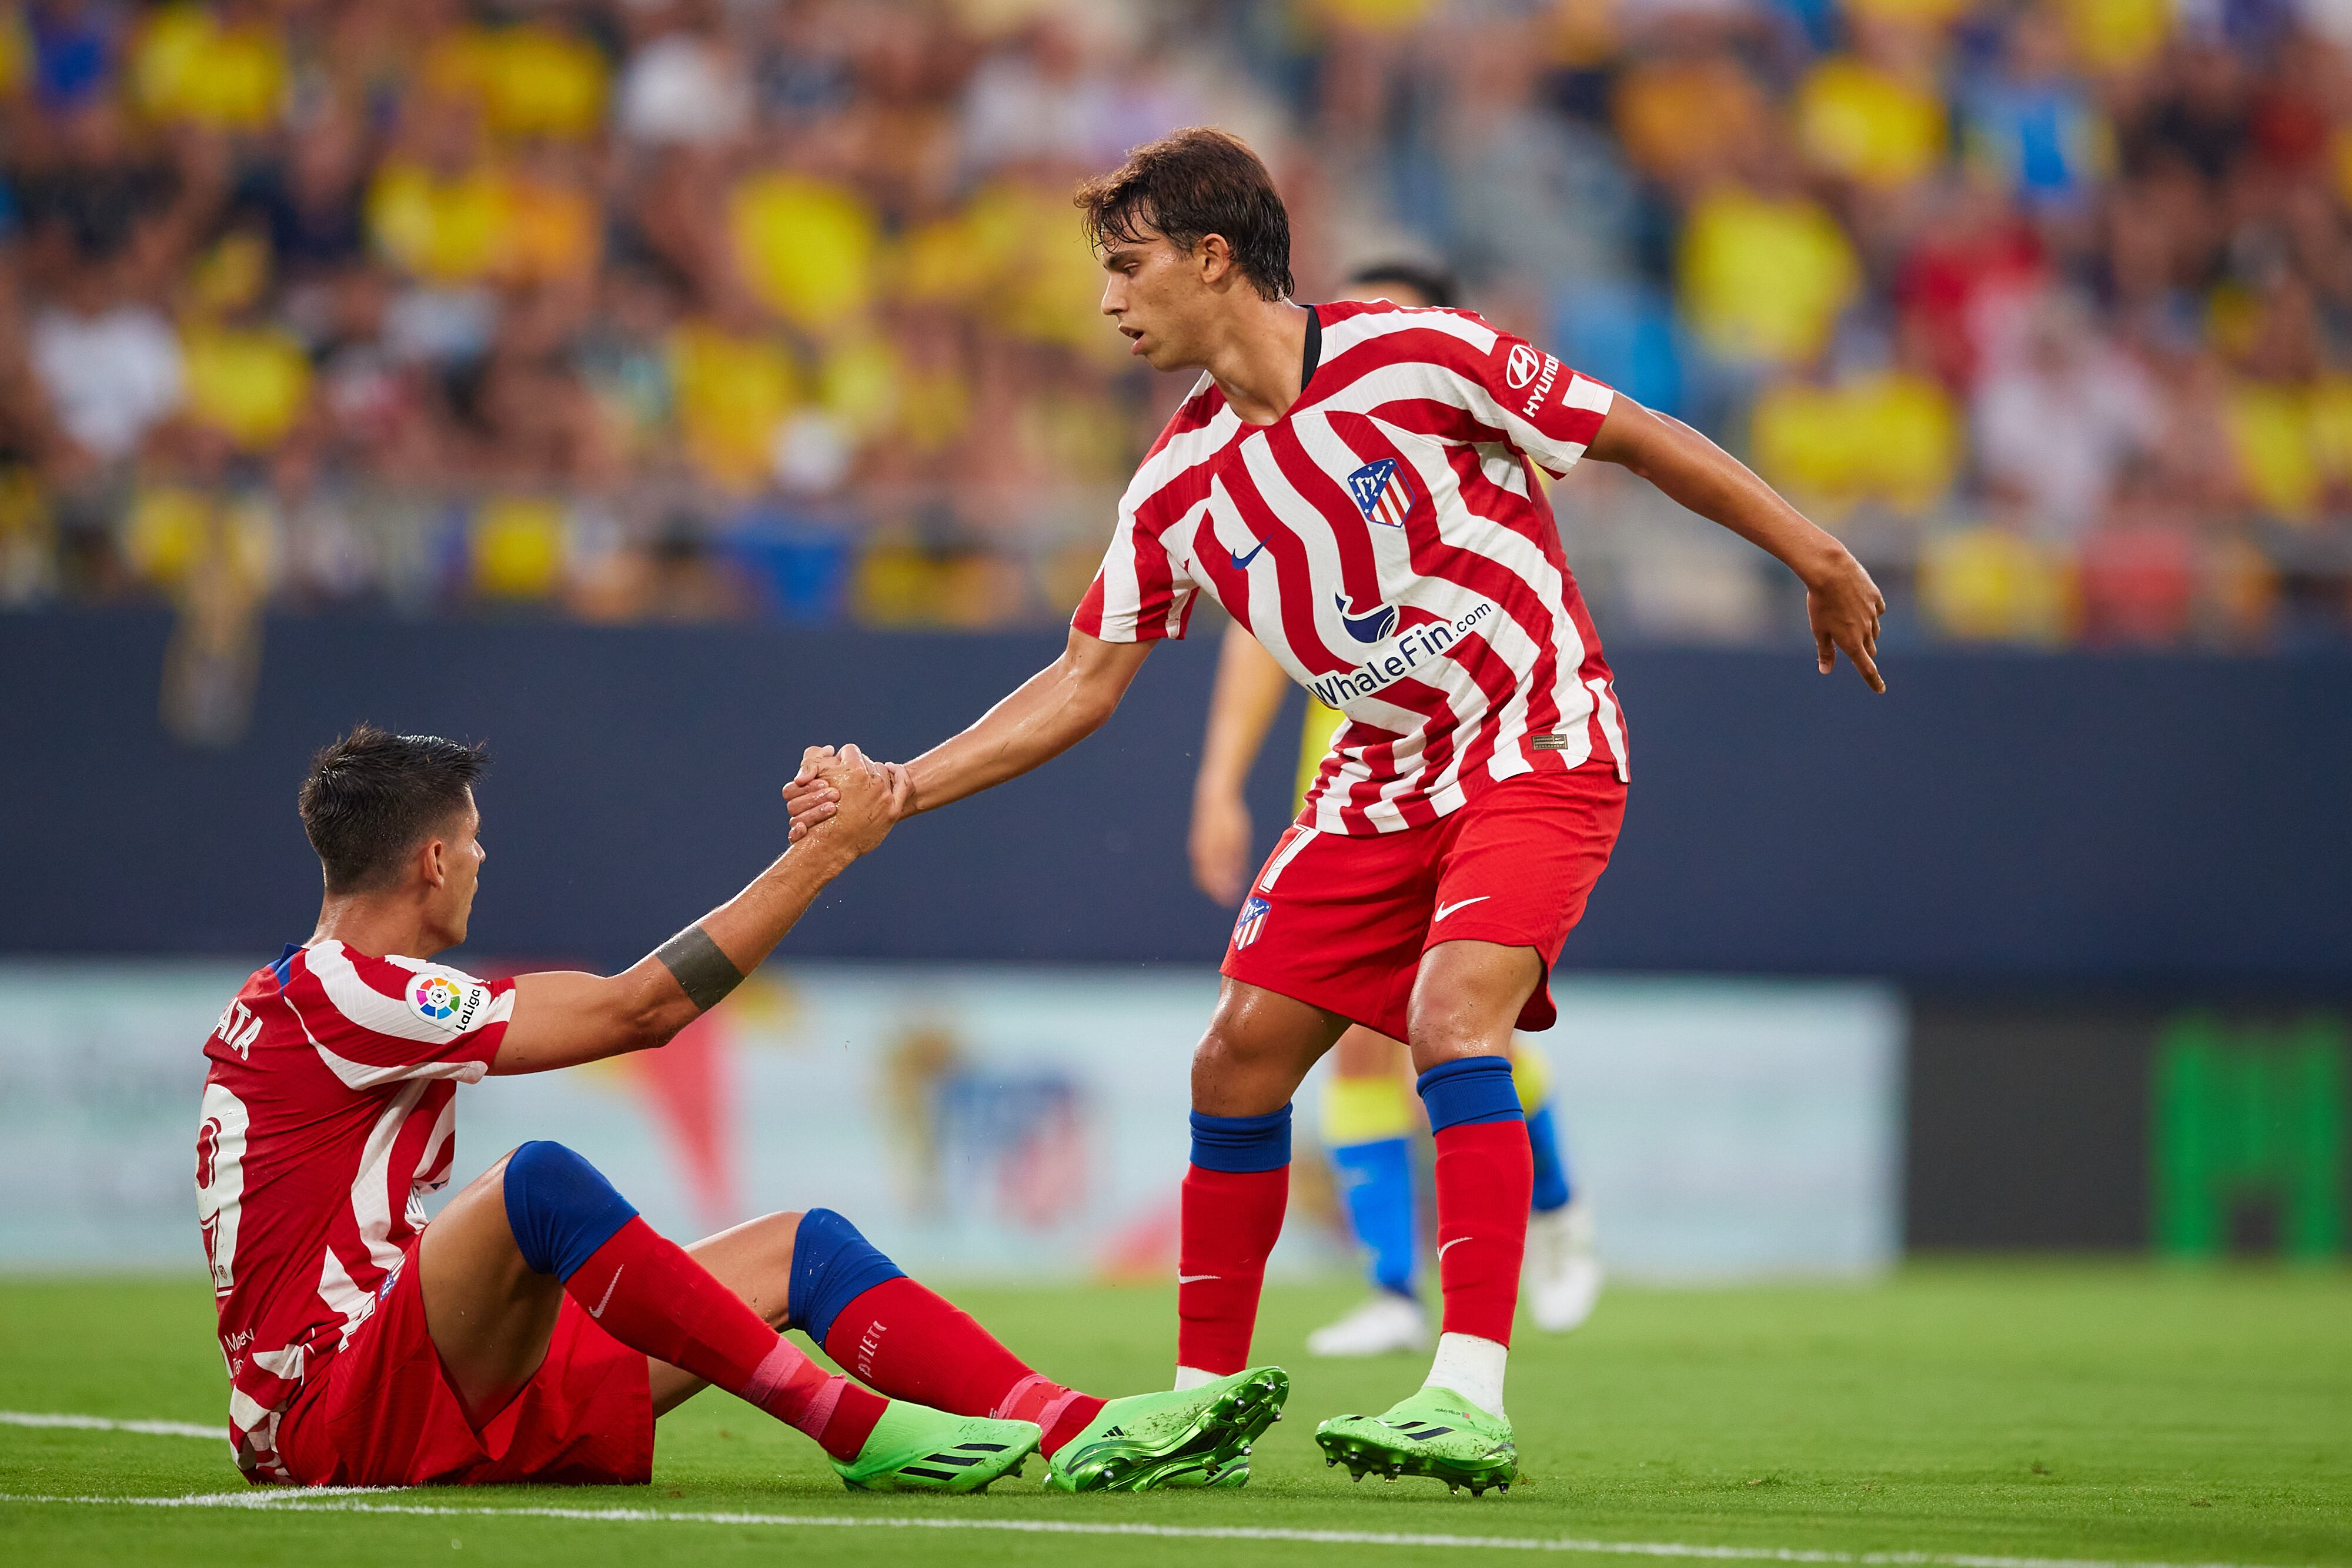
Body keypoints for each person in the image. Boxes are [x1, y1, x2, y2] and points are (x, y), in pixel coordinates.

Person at [783, 128, 1884, 1496]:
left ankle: (1464, 1391)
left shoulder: (1415, 353)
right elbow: (1082, 679)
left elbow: (1636, 436)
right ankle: (1198, 1402)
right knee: (1232, 1061)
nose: (1109, 302)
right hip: (1378, 776)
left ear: (1212, 255)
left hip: (1531, 729)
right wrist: (901, 786)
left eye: (1128, 269)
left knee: (1446, 1016)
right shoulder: (1176, 484)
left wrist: (1815, 551)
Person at [196, 725, 1284, 1495]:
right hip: (332, 1413)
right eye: (474, 839)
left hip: (423, 1380)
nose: (484, 858)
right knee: (537, 1183)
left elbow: (630, 1005)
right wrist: (827, 850)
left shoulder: (328, 993)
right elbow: (640, 1011)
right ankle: (852, 1425)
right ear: (433, 859)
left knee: (800, 1250)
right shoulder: (344, 994)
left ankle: (1077, 1428)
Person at [1189, 259, 1601, 1359]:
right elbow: (1255, 628)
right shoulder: (1279, 460)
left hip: (1492, 746)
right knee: (1361, 1043)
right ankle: (1390, 1288)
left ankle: (1556, 1211)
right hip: (1362, 770)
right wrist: (1222, 781)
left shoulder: (1468, 426)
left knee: (1461, 1015)